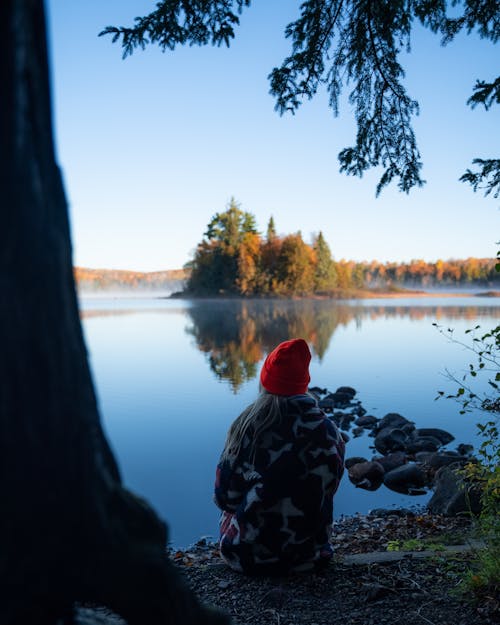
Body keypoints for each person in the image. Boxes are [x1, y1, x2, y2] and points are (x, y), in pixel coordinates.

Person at [214, 338, 345, 576]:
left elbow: (225, 499)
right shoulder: (329, 431)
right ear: (303, 384)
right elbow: (330, 488)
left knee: (232, 507)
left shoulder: (246, 428)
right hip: (310, 556)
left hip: (247, 557)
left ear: (265, 382)